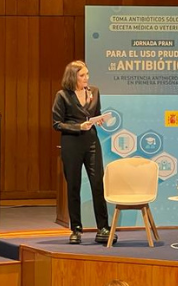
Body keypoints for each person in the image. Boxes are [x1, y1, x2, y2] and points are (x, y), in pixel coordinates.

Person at [51, 60, 114, 245]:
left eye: (87, 74)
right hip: (72, 144)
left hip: (91, 142)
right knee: (74, 186)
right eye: (82, 75)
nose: (87, 78)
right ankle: (76, 229)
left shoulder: (94, 91)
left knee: (98, 184)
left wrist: (98, 120)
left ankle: (103, 227)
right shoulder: (62, 95)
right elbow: (57, 124)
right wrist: (78, 126)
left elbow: (96, 112)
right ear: (73, 77)